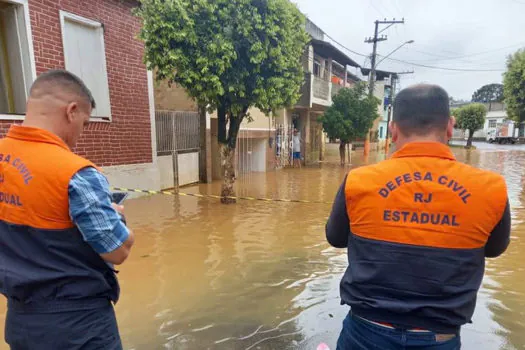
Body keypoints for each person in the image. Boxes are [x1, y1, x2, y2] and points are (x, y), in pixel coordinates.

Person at [326, 84, 510, 350]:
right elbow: (493, 249)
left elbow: (335, 238)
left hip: (366, 333)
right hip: (440, 337)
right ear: (450, 126)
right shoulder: (491, 188)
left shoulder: (358, 181)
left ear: (393, 129)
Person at [0, 70, 135, 349]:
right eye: (84, 124)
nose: (79, 136)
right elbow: (117, 250)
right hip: (79, 325)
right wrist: (115, 216)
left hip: (21, 322)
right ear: (71, 111)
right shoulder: (75, 173)